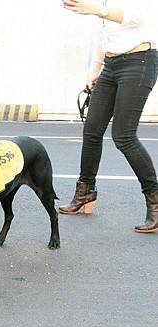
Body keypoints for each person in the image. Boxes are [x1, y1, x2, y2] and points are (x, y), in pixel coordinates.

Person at [60, 1, 158, 233]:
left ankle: (154, 200)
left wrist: (95, 9)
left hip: (139, 61)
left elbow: (135, 18)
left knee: (124, 136)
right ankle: (85, 192)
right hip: (111, 65)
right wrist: (94, 70)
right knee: (92, 130)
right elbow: (104, 35)